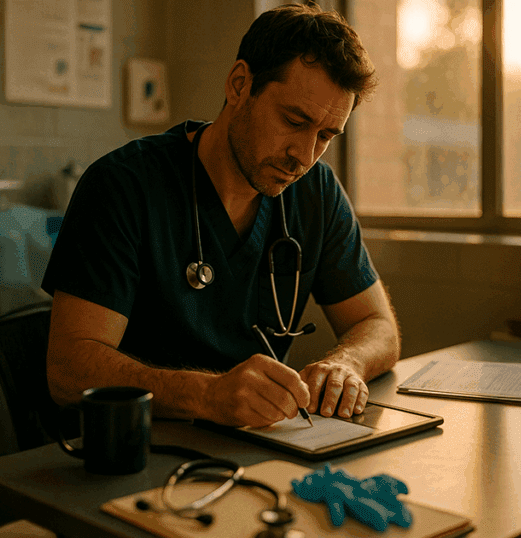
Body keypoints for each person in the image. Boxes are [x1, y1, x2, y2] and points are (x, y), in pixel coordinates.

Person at [42, 4, 400, 429]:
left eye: (325, 135)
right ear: (239, 85)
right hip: (136, 447)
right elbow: (68, 371)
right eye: (293, 120)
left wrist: (347, 363)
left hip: (256, 446)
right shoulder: (124, 186)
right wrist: (207, 395)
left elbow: (377, 325)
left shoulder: (316, 192)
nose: (304, 156)